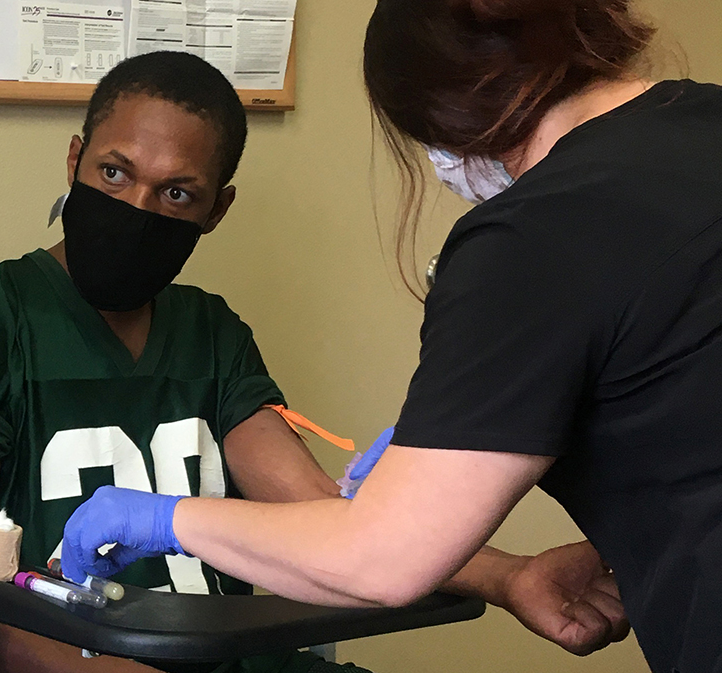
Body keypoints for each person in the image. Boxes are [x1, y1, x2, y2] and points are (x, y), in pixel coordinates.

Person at [0, 51, 622, 673]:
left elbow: (317, 512)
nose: (138, 208)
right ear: (75, 161)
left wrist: (511, 575)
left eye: (177, 192)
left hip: (230, 654)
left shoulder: (212, 332)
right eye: (114, 173)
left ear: (215, 209)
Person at [61, 2, 722, 672]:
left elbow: (376, 549)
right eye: (114, 173)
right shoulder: (704, 122)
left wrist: (163, 519)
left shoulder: (537, 235)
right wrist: (630, 537)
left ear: (436, 109)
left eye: (178, 192)